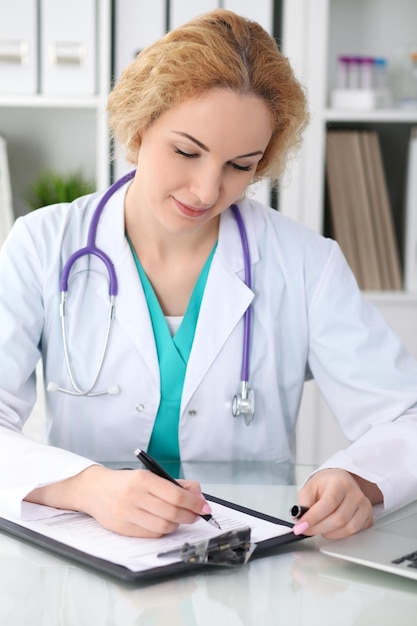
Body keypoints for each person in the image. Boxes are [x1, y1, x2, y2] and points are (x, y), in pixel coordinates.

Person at [0, 9, 416, 542]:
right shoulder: (43, 243)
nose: (205, 191)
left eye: (240, 165)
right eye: (186, 151)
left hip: (246, 561)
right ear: (139, 123)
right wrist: (87, 487)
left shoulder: (305, 263)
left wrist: (357, 477)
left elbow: (406, 417)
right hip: (85, 554)